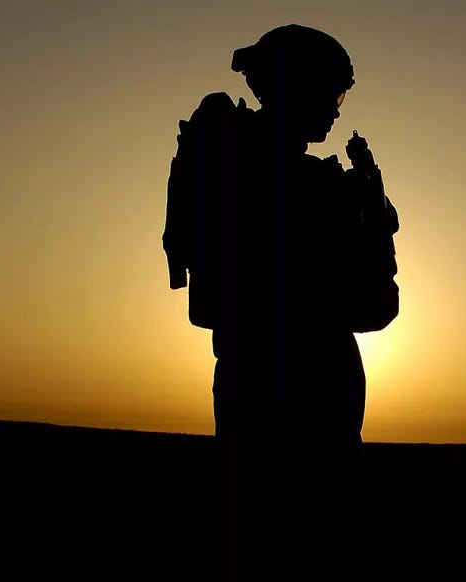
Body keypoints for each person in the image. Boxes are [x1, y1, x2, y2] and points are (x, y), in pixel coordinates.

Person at [163, 24, 400, 581]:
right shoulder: (304, 186)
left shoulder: (238, 169)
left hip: (248, 383)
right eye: (333, 94)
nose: (337, 112)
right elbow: (376, 305)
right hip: (310, 404)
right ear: (300, 87)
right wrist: (371, 214)